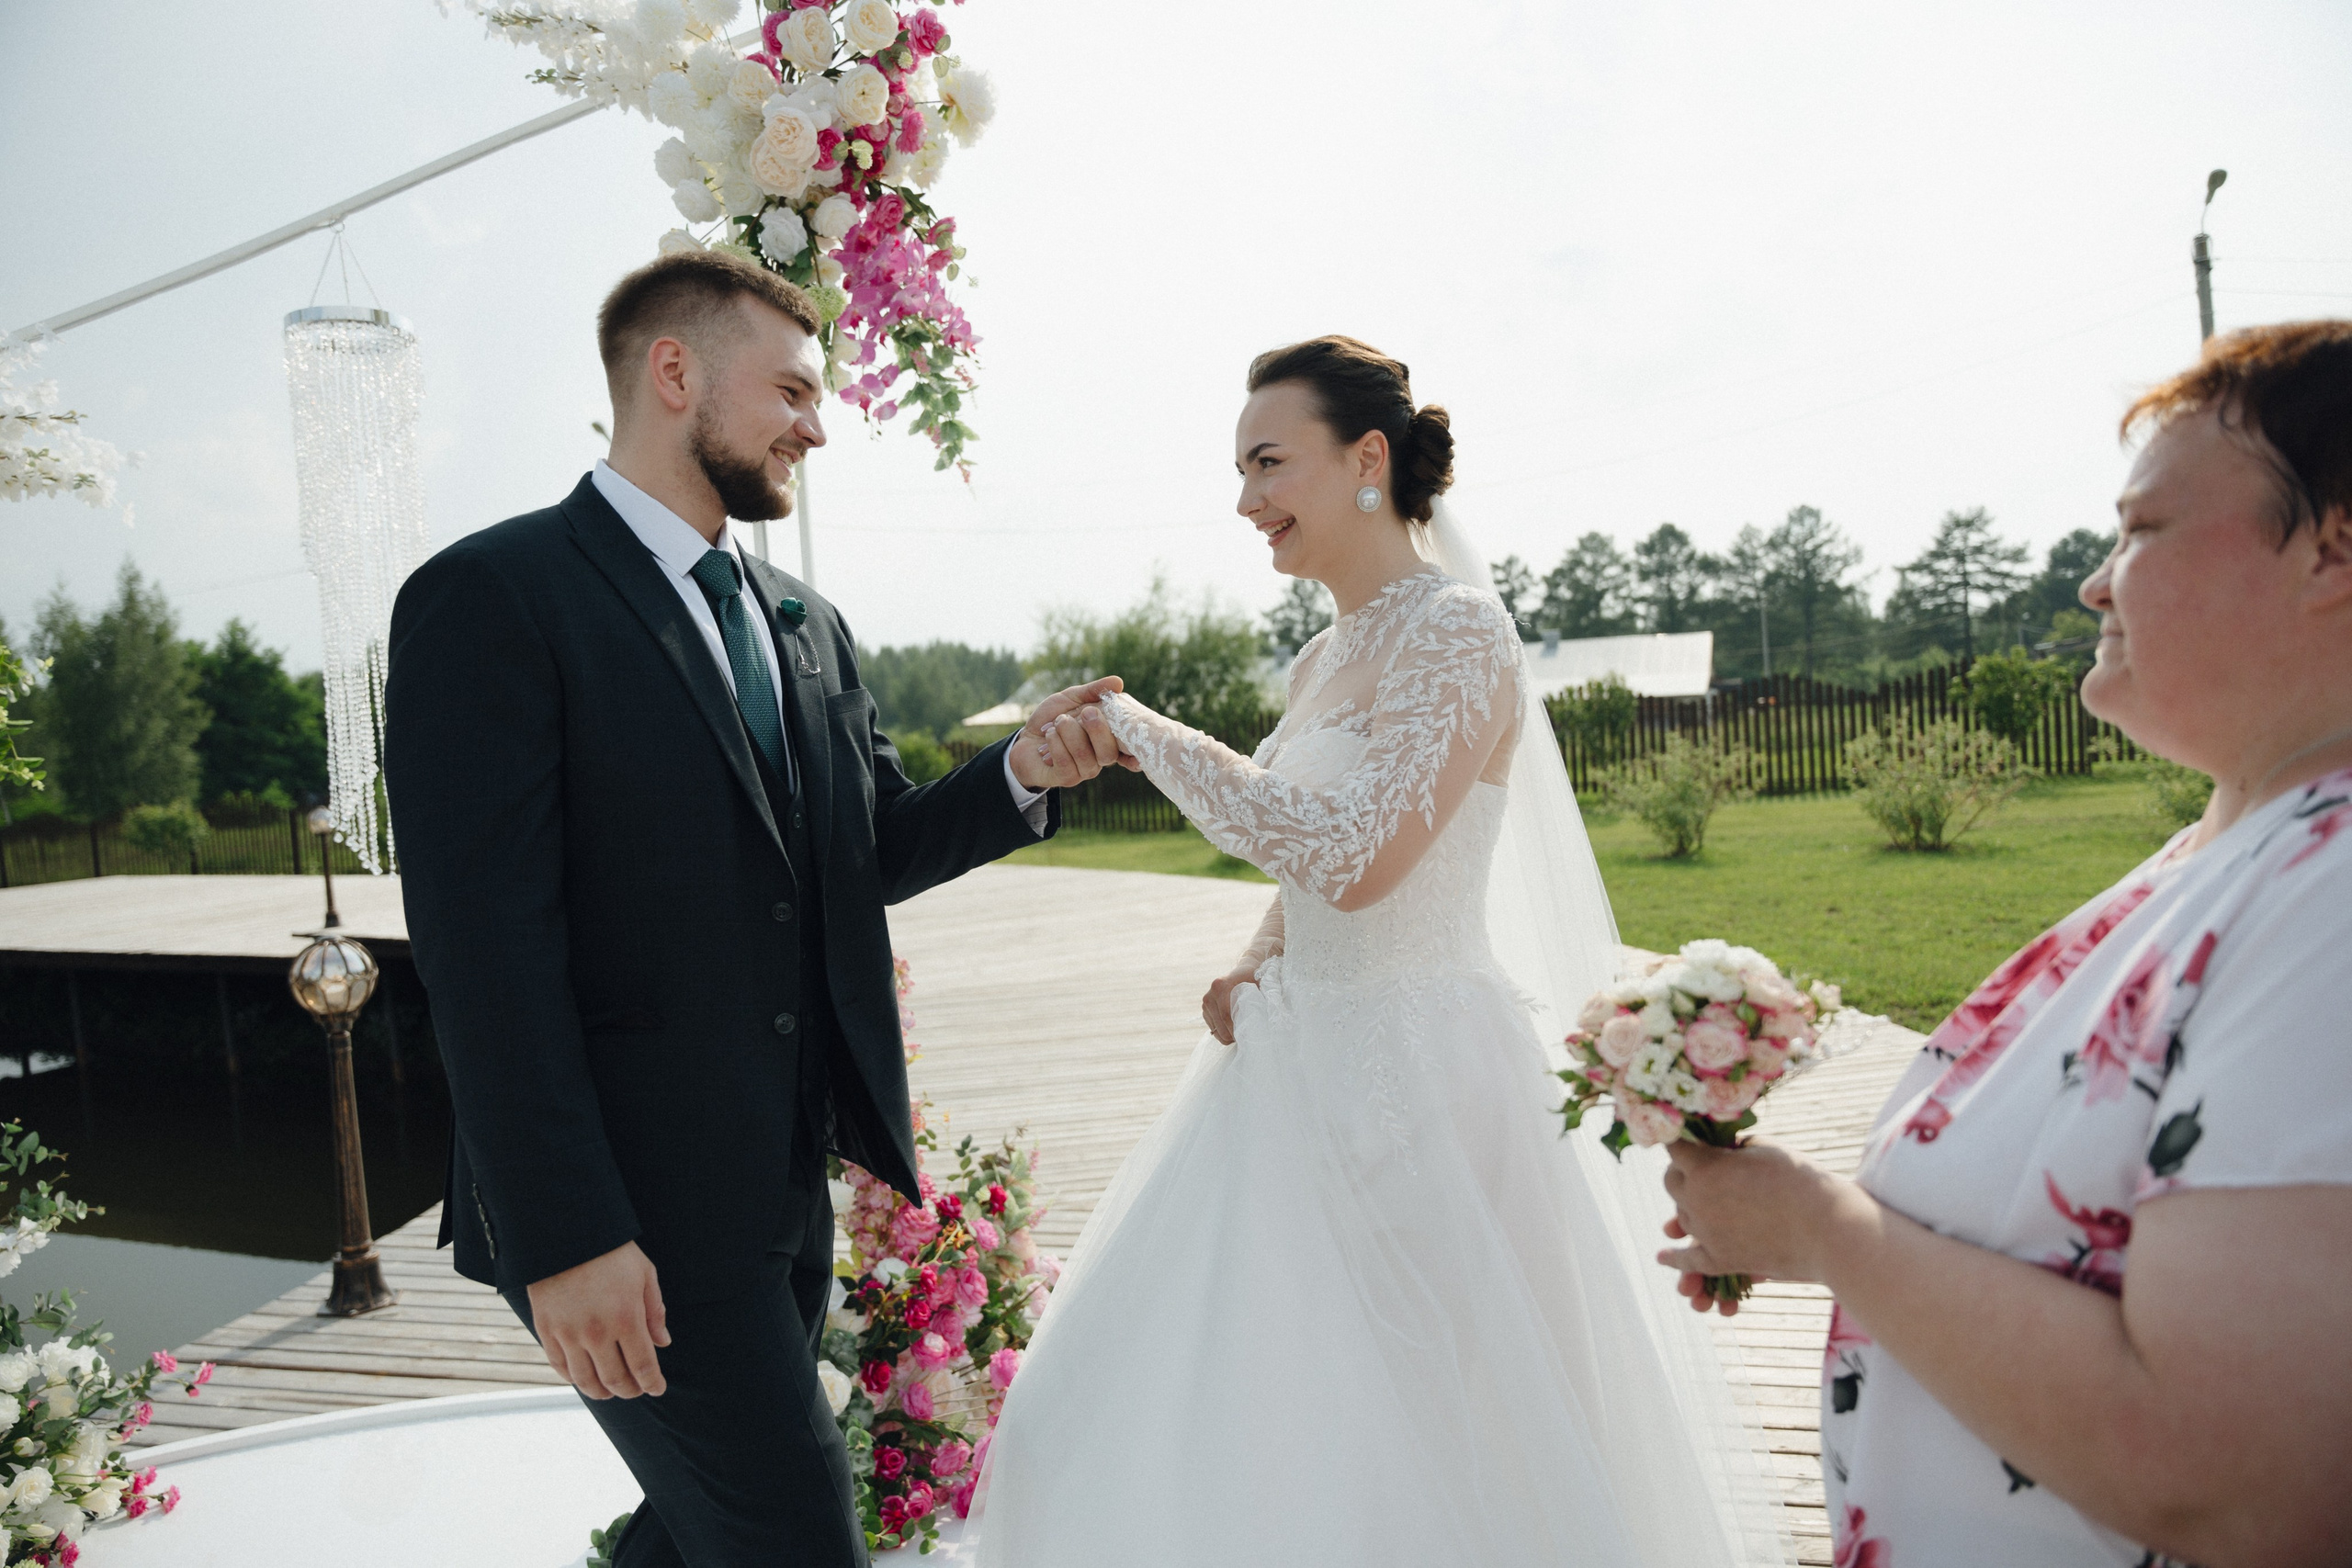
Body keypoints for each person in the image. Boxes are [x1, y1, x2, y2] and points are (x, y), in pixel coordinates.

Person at [962, 337, 1791, 1566]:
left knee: (1433, 1434)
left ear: (1366, 460)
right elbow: (1317, 855)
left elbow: (1362, 852)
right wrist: (1258, 952)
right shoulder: (1323, 655)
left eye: (1267, 463)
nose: (1247, 500)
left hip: (1423, 1088)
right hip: (1291, 1074)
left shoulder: (1458, 632)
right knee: (1173, 1415)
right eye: (1240, 471)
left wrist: (1146, 734)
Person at [382, 249, 1127, 1568]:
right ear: (674, 372)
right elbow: (485, 952)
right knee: (795, 1538)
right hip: (623, 1213)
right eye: (791, 391)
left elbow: (867, 849)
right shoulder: (492, 597)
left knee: (696, 1535)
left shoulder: (805, 622)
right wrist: (570, 1237)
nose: (815, 427)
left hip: (783, 1186)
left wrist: (1021, 770)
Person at [1656, 319, 2352, 1568]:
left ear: (2334, 549)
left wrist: (1822, 1230)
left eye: (2142, 529)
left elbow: (2236, 1484)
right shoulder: (2236, 846)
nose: (2095, 584)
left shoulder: (2337, 894)